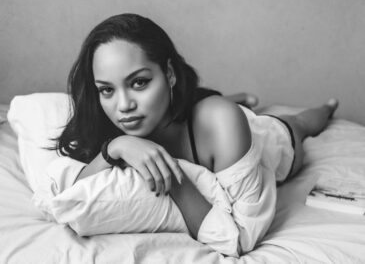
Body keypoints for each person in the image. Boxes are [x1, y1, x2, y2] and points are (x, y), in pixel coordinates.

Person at [55, 13, 338, 255]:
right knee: (220, 106)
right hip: (199, 123)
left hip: (267, 142)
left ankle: (324, 108)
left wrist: (173, 176)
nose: (124, 106)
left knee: (295, 125)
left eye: (139, 82)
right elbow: (70, 197)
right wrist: (116, 147)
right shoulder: (115, 126)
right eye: (107, 89)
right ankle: (237, 98)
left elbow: (240, 239)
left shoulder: (222, 120)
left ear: (169, 73)